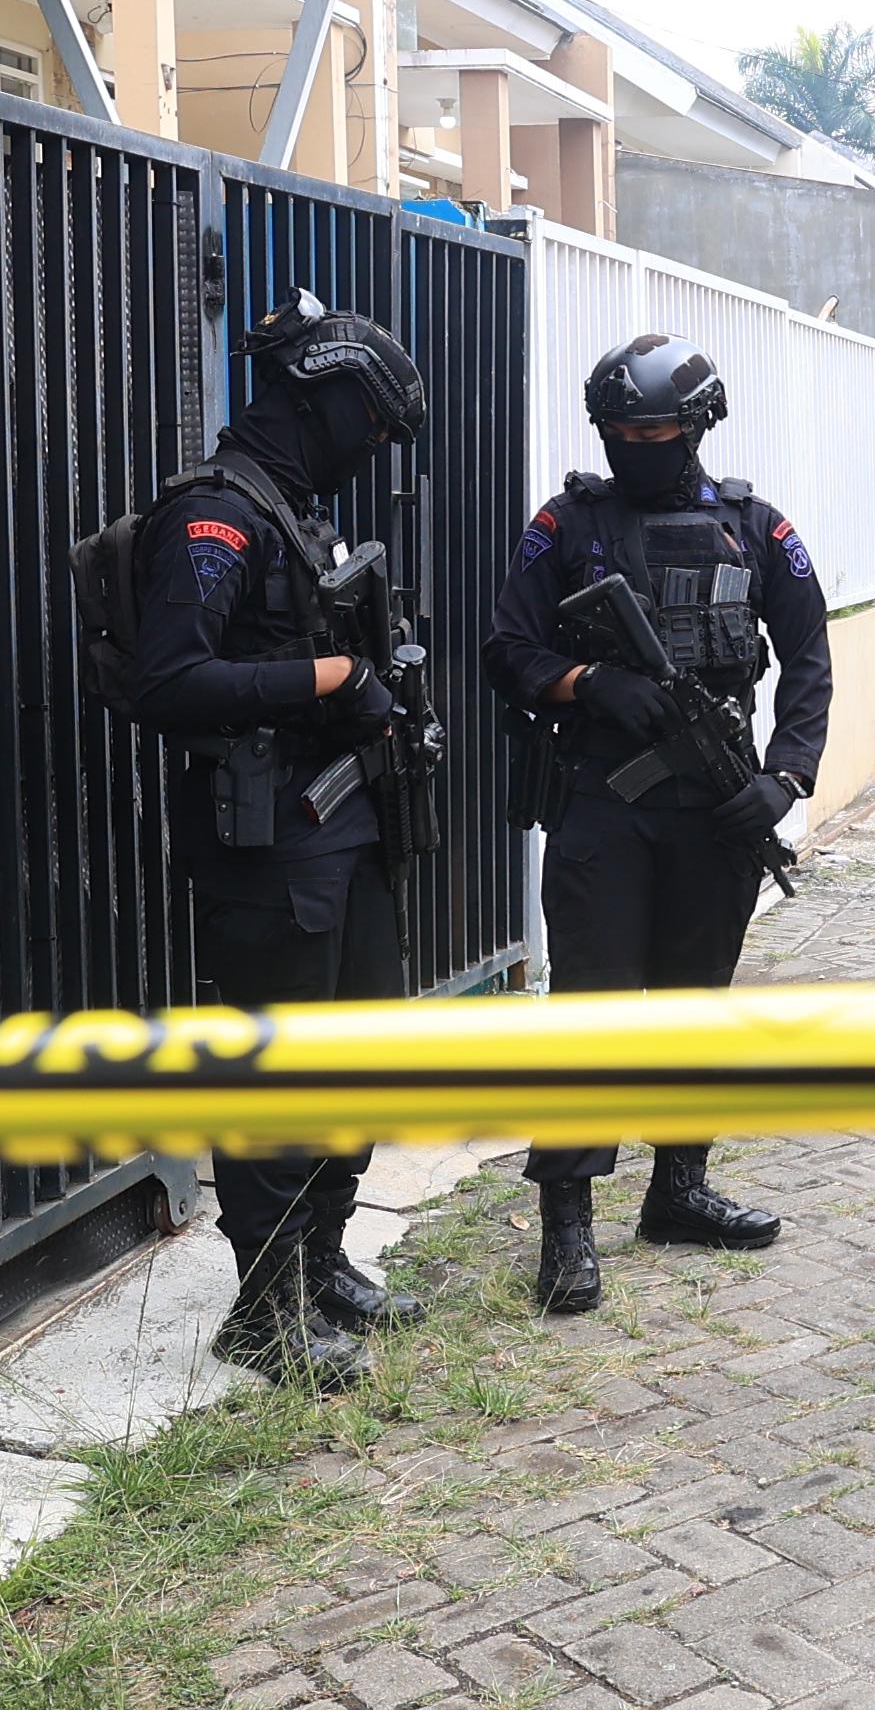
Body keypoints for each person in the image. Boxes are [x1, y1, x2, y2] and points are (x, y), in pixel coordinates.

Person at [486, 334, 834, 1315]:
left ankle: (677, 1190)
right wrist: (590, 680)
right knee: (590, 1014)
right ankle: (566, 1228)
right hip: (605, 802)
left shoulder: (756, 527)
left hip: (719, 807)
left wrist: (786, 778)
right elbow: (507, 648)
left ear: (697, 427)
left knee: (696, 1005)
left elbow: (808, 657)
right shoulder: (566, 525)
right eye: (621, 431)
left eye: (657, 429)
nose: (638, 444)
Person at [127, 290, 430, 1388]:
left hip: (340, 829)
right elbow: (170, 678)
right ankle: (263, 1309)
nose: (372, 449)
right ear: (326, 398)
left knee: (359, 1056)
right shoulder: (215, 514)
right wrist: (332, 677)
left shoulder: (296, 510)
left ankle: (321, 1259)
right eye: (371, 423)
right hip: (265, 844)